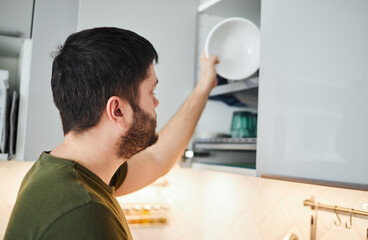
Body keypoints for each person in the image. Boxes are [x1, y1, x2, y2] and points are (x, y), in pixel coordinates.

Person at [4, 27, 219, 240]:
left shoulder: (65, 172)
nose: (156, 102)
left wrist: (204, 85)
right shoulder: (85, 213)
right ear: (117, 110)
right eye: (151, 91)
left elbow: (157, 159)